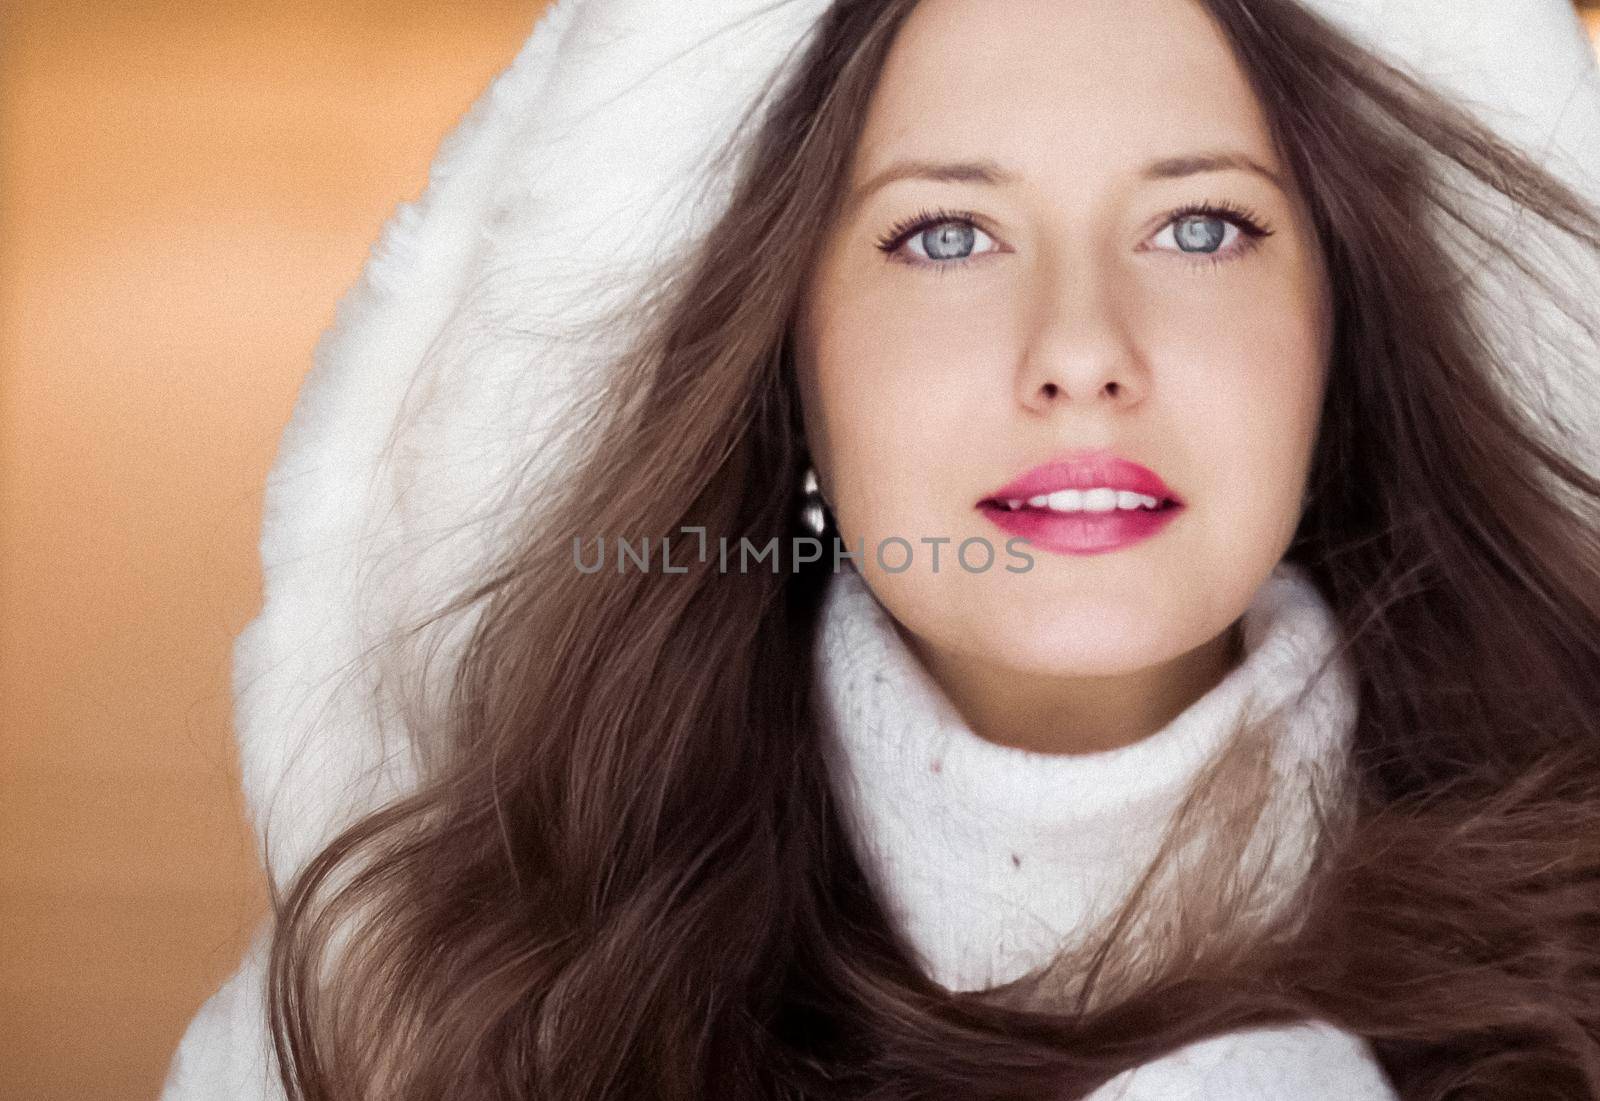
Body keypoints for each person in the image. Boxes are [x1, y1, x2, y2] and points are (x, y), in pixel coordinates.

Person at [162, 0, 1600, 1097]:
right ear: (790, 367)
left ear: (1340, 334)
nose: (1082, 350)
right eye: (948, 238)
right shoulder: (447, 1007)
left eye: (1201, 224)